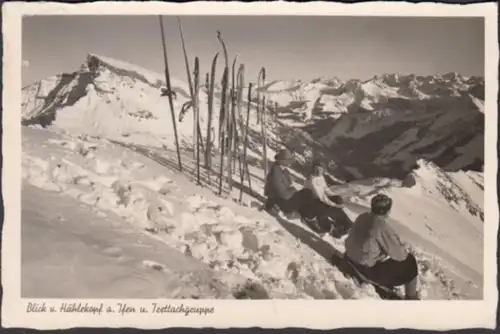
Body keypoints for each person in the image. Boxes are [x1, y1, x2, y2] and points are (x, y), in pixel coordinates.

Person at [344, 193, 420, 300]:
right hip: (366, 269)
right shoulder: (382, 227)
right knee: (410, 262)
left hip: (351, 258)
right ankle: (411, 298)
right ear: (387, 211)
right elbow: (400, 256)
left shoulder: (362, 217)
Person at [263, 149, 308, 218]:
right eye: (288, 161)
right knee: (303, 196)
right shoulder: (276, 171)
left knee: (306, 193)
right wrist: (293, 192)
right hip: (276, 200)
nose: (290, 164)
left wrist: (292, 190)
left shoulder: (284, 171)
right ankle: (287, 211)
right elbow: (282, 193)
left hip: (284, 197)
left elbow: (290, 186)